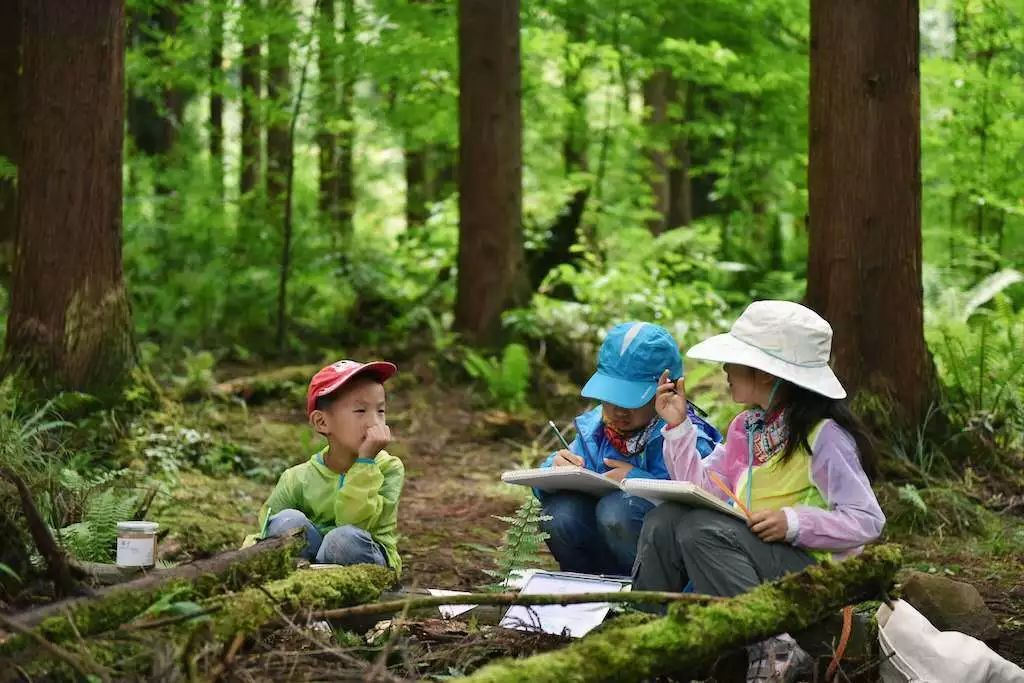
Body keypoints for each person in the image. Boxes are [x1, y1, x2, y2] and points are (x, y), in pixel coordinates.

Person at [632, 300, 885, 683]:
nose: (725, 370)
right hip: (754, 559)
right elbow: (704, 488)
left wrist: (794, 523)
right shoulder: (746, 429)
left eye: (734, 361)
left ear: (766, 374)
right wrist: (679, 427)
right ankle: (652, 645)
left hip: (809, 573)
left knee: (698, 529)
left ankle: (773, 648)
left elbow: (867, 520)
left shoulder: (825, 437)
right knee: (665, 520)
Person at [536, 321, 722, 576]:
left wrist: (636, 480)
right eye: (611, 398)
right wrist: (554, 469)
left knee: (617, 510)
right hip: (605, 551)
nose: (619, 410)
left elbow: (702, 504)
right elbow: (552, 479)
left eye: (632, 399)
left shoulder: (687, 436)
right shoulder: (597, 429)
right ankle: (583, 591)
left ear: (667, 391)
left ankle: (644, 601)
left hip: (666, 561)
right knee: (560, 513)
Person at [253, 360, 405, 573]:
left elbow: (356, 524)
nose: (374, 422)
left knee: (342, 540)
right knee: (285, 522)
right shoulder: (297, 478)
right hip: (311, 565)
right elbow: (264, 532)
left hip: (366, 560)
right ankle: (306, 579)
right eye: (361, 410)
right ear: (322, 422)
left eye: (380, 411)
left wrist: (365, 462)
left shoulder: (388, 468)